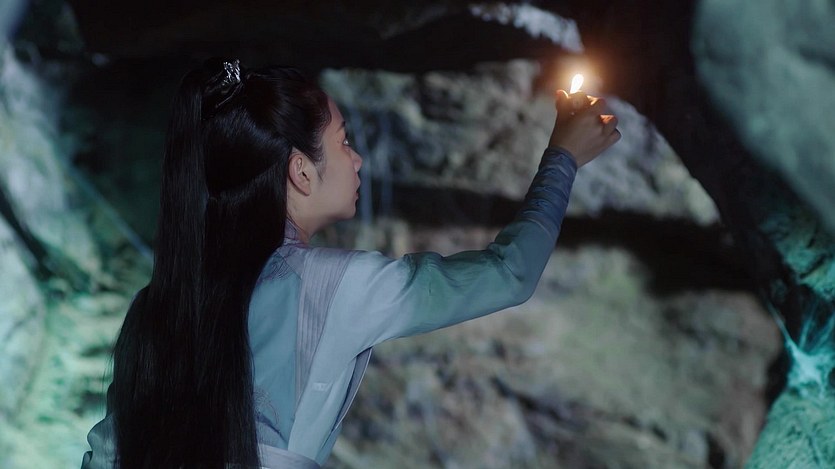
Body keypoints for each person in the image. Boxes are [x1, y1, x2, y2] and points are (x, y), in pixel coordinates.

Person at [80, 57, 620, 469]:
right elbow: (510, 273)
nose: (357, 160)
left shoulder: (158, 303)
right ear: (301, 171)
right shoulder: (333, 287)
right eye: (342, 142)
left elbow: (105, 455)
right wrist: (563, 159)